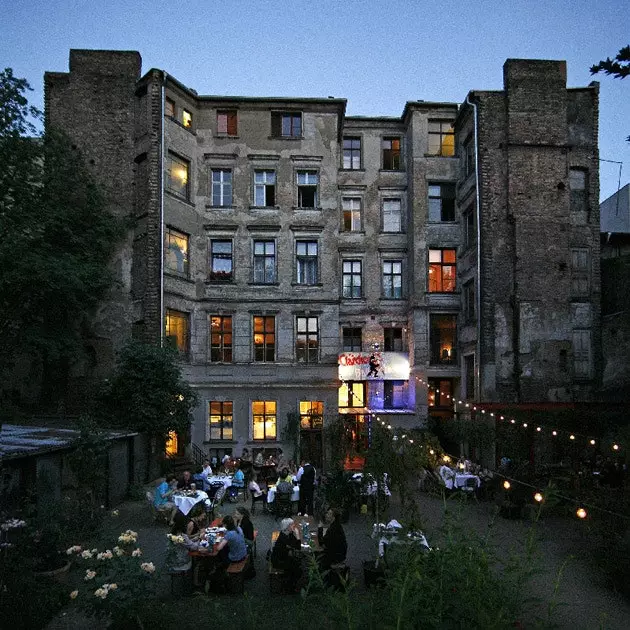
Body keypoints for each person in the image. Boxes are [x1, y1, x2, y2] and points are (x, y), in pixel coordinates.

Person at [270, 517, 302, 587]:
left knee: (297, 563)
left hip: (284, 557)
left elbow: (296, 546)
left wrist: (296, 537)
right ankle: (289, 586)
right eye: (292, 524)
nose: (294, 526)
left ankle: (291, 582)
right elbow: (297, 547)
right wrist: (298, 536)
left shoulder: (288, 534)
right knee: (296, 567)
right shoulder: (283, 538)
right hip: (278, 561)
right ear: (287, 527)